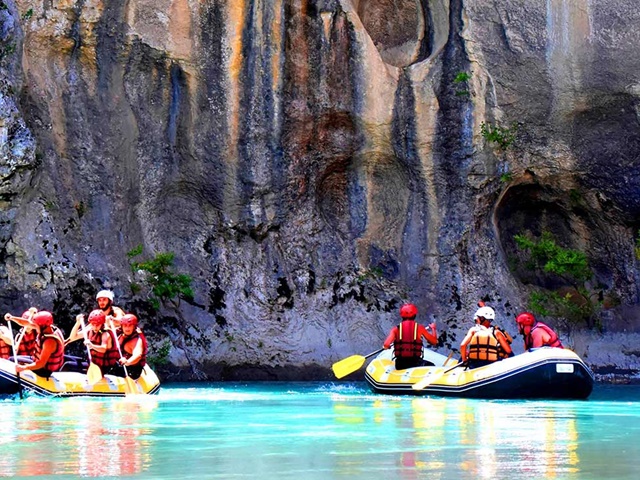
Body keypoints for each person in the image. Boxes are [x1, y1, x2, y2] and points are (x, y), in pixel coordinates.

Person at [383, 303, 438, 370]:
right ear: (414, 315)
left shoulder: (395, 329)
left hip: (400, 364)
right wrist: (433, 329)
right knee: (431, 366)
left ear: (402, 315)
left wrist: (388, 347)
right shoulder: (420, 328)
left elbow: (386, 345)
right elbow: (434, 342)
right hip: (415, 362)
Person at [15, 311, 65, 377]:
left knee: (14, 362)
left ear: (43, 326)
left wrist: (24, 367)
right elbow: (27, 323)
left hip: (45, 370)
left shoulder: (49, 342)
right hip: (36, 359)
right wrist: (12, 318)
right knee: (12, 359)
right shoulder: (50, 327)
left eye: (36, 325)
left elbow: (41, 364)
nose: (34, 327)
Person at [109, 314, 148, 379]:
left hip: (131, 369)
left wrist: (127, 362)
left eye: (130, 326)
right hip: (119, 365)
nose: (127, 328)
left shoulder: (137, 340)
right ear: (122, 326)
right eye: (125, 326)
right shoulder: (120, 334)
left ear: (134, 327)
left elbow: (138, 355)